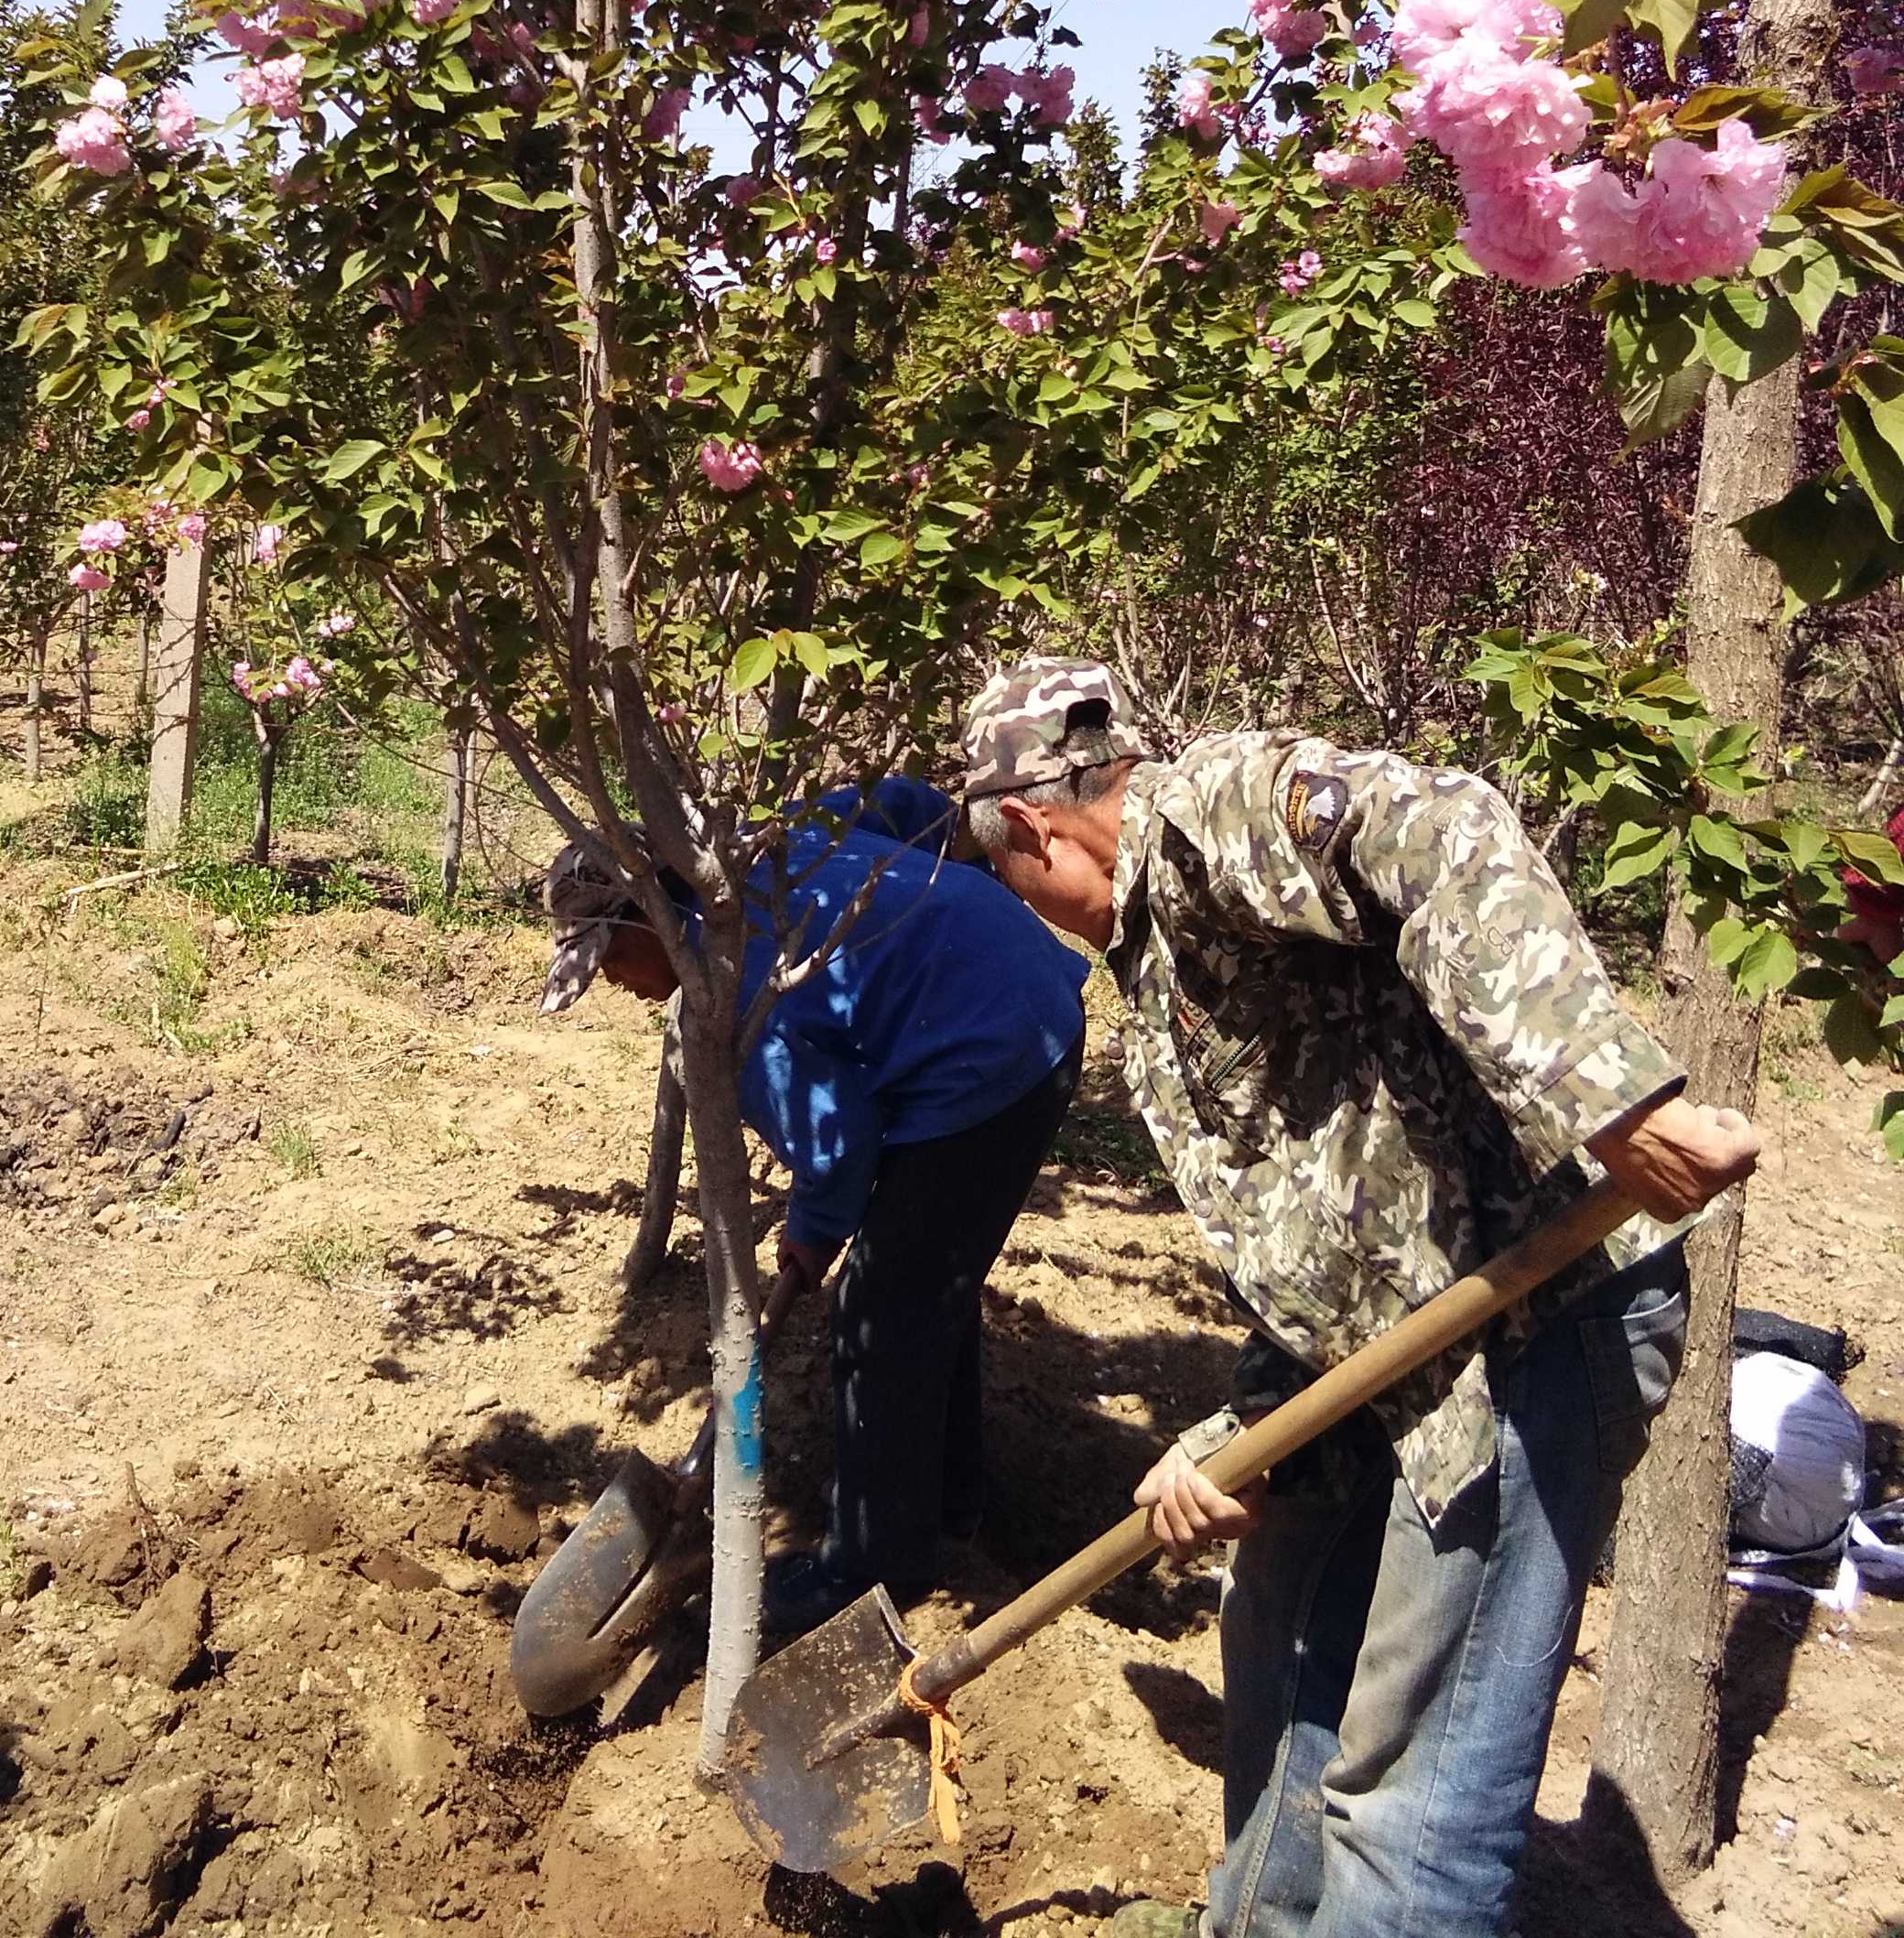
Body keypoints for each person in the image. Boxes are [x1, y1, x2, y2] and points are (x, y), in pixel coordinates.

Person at [961, 657, 1762, 1938]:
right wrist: (1241, 1434)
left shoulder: (1208, 815)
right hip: (1392, 1347)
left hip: (1535, 1325)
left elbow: (1440, 826)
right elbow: (1325, 1217)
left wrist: (1610, 1098)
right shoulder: (1158, 956)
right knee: (1278, 1645)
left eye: (1005, 872)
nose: (1024, 902)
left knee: (1412, 1796)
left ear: (1040, 827)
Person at [539, 775, 1089, 1636]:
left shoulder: (743, 1000)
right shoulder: (760, 850)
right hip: (1010, 998)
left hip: (989, 1056)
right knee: (918, 1282)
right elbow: (901, 803)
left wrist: (810, 1233)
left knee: (878, 1315)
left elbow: (838, 1146)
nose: (611, 982)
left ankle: (877, 1566)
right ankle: (949, 1507)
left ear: (650, 920)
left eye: (608, 957)